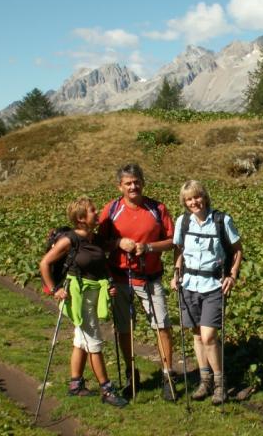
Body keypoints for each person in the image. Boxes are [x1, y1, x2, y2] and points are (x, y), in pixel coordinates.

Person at [39, 196, 127, 408]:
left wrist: (110, 283)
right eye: (92, 210)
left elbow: (101, 262)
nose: (97, 213)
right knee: (94, 341)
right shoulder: (69, 240)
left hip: (94, 293)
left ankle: (75, 384)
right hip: (78, 295)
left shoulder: (94, 239)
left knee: (82, 340)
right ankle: (106, 389)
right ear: (80, 218)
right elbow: (45, 263)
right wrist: (55, 289)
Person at [99, 163, 177, 401]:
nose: (133, 186)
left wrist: (149, 247)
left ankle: (167, 375)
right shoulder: (111, 210)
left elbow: (173, 240)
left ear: (143, 182)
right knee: (124, 329)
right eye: (128, 183)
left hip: (150, 278)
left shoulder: (157, 208)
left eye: (137, 181)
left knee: (162, 325)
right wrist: (117, 243)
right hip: (120, 278)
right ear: (119, 186)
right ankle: (132, 375)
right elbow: (100, 243)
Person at [171, 180, 243, 405]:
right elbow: (179, 249)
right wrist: (176, 274)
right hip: (189, 284)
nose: (194, 202)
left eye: (197, 197)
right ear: (185, 202)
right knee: (196, 335)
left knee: (209, 336)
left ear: (205, 196)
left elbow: (238, 250)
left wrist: (232, 275)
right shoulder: (182, 222)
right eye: (189, 199)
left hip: (214, 284)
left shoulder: (222, 221)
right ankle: (205, 381)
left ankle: (221, 384)